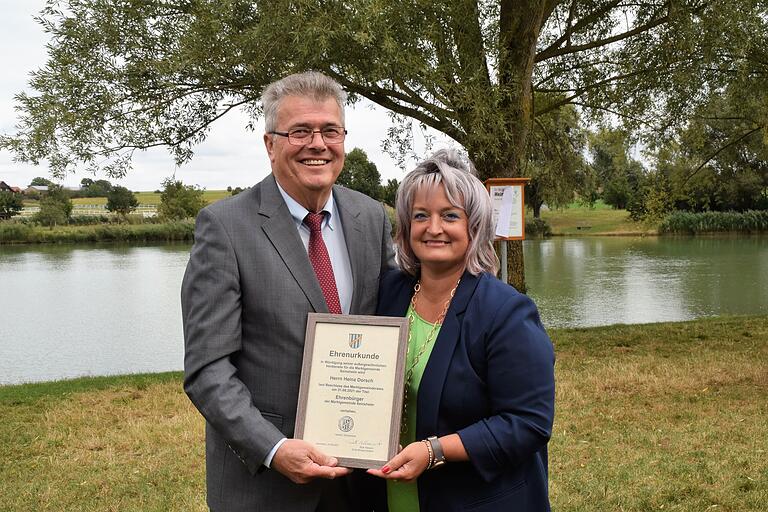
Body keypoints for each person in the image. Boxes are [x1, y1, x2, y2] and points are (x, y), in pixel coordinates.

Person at [181, 71, 395, 512]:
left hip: (361, 482)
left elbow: (393, 326)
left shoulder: (371, 217)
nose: (317, 144)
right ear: (270, 144)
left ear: (343, 140)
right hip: (265, 489)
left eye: (329, 130)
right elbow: (208, 370)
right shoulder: (225, 227)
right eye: (299, 131)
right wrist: (275, 449)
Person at [362, 149, 555, 511]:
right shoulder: (389, 293)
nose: (433, 228)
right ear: (406, 227)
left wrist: (435, 450)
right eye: (421, 216)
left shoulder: (506, 312)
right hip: (392, 496)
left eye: (450, 215)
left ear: (474, 226)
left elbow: (528, 423)